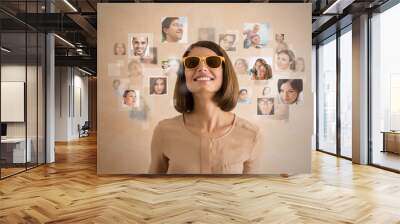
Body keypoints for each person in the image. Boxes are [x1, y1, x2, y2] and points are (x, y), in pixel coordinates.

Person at [149, 41, 263, 174]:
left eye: (213, 62)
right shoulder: (163, 132)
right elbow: (153, 189)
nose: (202, 68)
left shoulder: (251, 135)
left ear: (225, 73)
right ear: (183, 76)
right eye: (192, 62)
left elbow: (251, 192)